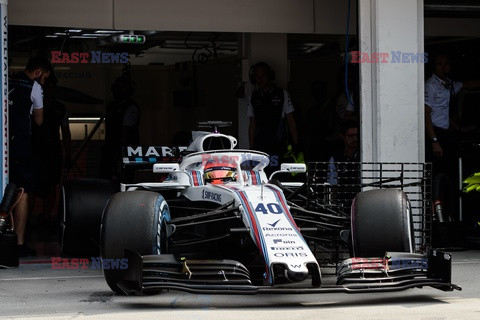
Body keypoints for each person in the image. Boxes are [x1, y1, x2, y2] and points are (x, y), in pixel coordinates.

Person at [425, 53, 480, 222]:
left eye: (447, 64)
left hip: (448, 133)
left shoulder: (448, 84)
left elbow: (466, 85)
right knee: (438, 177)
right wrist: (434, 141)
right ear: (434, 66)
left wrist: (461, 128)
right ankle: (437, 217)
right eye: (440, 64)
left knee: (451, 177)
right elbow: (426, 115)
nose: (444, 68)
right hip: (436, 134)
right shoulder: (430, 86)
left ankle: (450, 216)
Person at [8, 56, 52, 256]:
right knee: (23, 191)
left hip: (3, 143)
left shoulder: (6, 79)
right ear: (38, 71)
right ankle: (18, 243)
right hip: (20, 144)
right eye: (44, 78)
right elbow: (39, 120)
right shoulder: (34, 88)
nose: (43, 82)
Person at [246, 62, 301, 174]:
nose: (260, 79)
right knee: (260, 176)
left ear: (270, 76)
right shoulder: (253, 97)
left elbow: (291, 121)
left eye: (263, 75)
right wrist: (251, 149)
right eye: (257, 76)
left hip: (278, 145)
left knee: (278, 176)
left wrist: (297, 145)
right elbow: (252, 124)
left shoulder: (282, 94)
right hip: (259, 146)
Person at [32, 72, 71, 223]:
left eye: (52, 88)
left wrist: (68, 154)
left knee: (52, 186)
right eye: (47, 87)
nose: (50, 90)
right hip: (36, 150)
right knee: (33, 186)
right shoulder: (34, 104)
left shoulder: (60, 108)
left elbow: (66, 132)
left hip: (53, 151)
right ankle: (29, 218)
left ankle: (46, 217)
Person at [99, 69, 140, 186]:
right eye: (117, 87)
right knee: (106, 182)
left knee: (121, 182)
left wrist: (121, 153)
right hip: (111, 151)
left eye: (121, 87)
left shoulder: (131, 107)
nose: (118, 90)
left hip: (123, 153)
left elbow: (125, 132)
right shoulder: (112, 106)